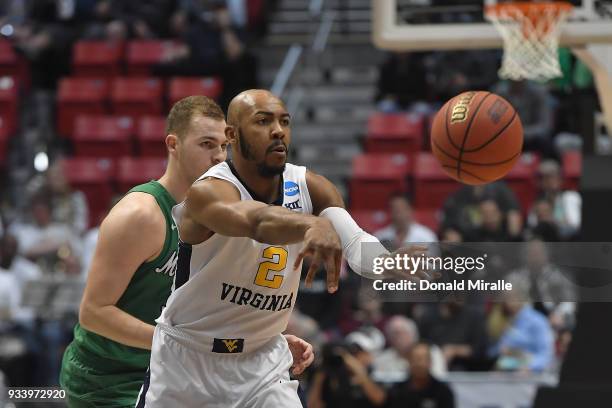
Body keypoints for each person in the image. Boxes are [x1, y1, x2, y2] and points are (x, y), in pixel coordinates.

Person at [139, 89, 427, 407]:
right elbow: (256, 222)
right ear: (231, 135)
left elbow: (356, 244)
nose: (278, 130)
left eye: (284, 121)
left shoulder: (311, 186)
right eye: (263, 121)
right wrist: (310, 224)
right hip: (187, 362)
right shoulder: (209, 191)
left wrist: (385, 263)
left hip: (262, 362)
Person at [59, 95, 314, 408]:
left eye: (223, 146)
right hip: (112, 380)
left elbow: (217, 308)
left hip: (185, 373)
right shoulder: (141, 215)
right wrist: (194, 347)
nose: (218, 157)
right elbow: (94, 313)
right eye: (206, 145)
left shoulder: (225, 213)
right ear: (173, 144)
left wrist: (256, 345)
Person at [384, 342, 455, 408]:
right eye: (416, 358)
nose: (419, 363)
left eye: (423, 358)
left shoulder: (443, 392)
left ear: (430, 362)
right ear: (409, 360)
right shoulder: (396, 391)